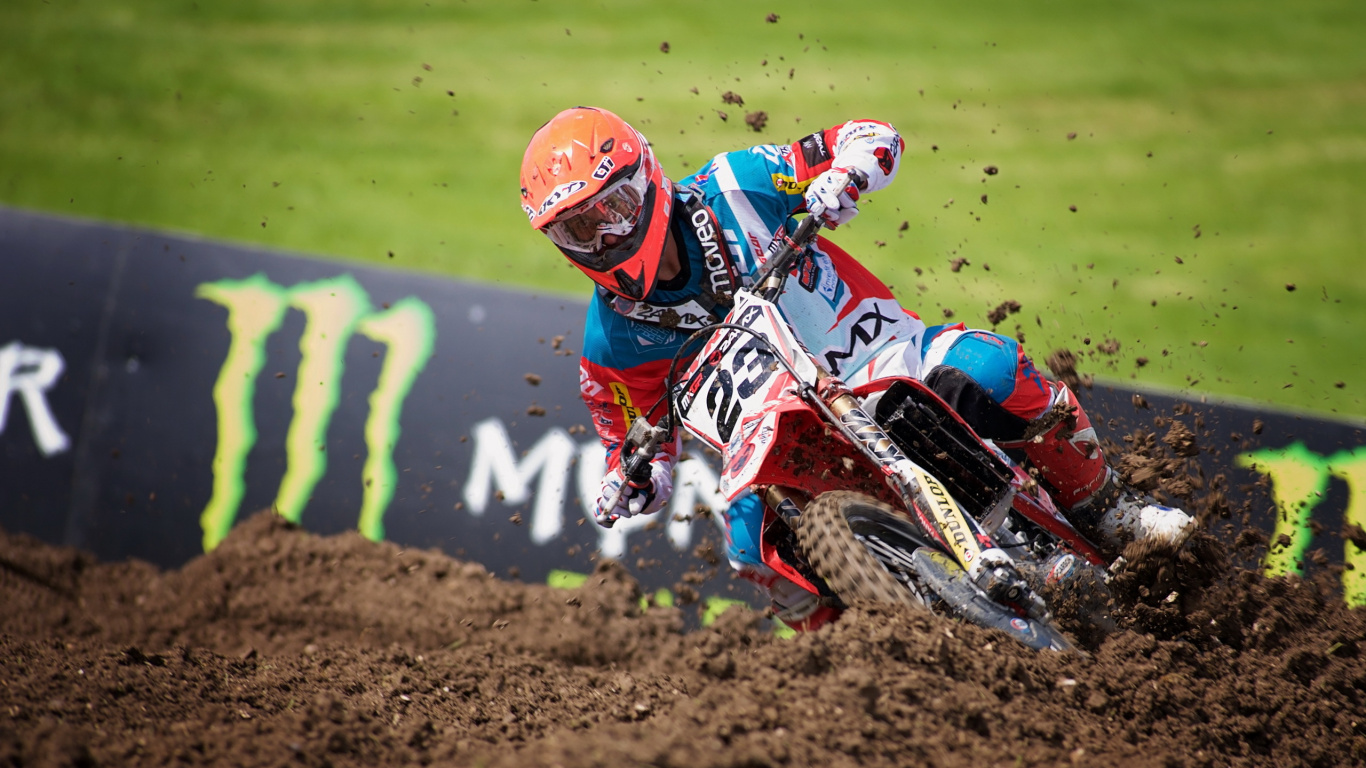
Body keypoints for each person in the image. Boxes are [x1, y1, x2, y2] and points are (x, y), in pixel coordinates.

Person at [519, 106, 1193, 629]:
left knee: (987, 367)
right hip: (779, 441)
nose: (604, 237)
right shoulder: (608, 345)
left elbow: (867, 135)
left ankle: (1111, 510)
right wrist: (637, 479)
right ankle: (863, 667)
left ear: (648, 180)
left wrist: (848, 172)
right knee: (753, 552)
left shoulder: (736, 186)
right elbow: (633, 442)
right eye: (578, 231)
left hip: (878, 357)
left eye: (612, 210)